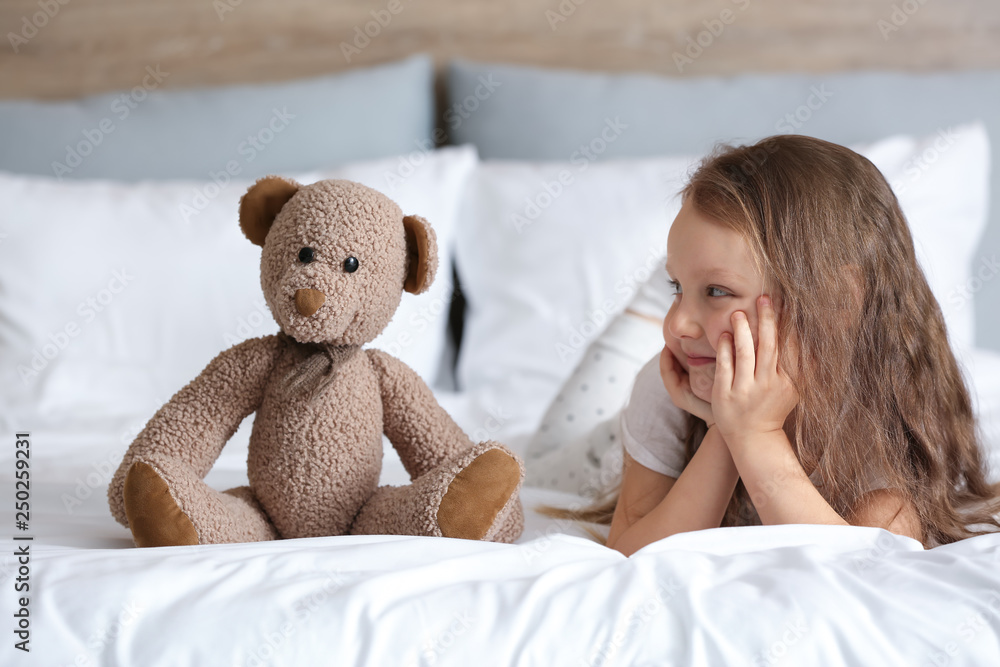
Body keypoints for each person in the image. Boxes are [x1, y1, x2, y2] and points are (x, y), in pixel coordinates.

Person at [541, 134, 1000, 556]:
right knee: (533, 459)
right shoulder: (667, 389)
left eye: (718, 291)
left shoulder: (882, 412)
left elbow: (858, 568)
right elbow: (631, 553)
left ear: (837, 300)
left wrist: (753, 433)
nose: (677, 323)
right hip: (582, 454)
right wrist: (726, 429)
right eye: (674, 288)